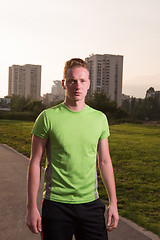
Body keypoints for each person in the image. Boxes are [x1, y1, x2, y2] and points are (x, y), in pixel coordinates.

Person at [26, 58, 119, 240]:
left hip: (91, 205)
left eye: (82, 81)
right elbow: (35, 162)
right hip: (56, 206)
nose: (78, 86)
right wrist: (32, 207)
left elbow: (105, 161)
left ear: (89, 84)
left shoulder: (99, 119)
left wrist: (114, 203)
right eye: (72, 81)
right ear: (64, 84)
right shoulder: (47, 117)